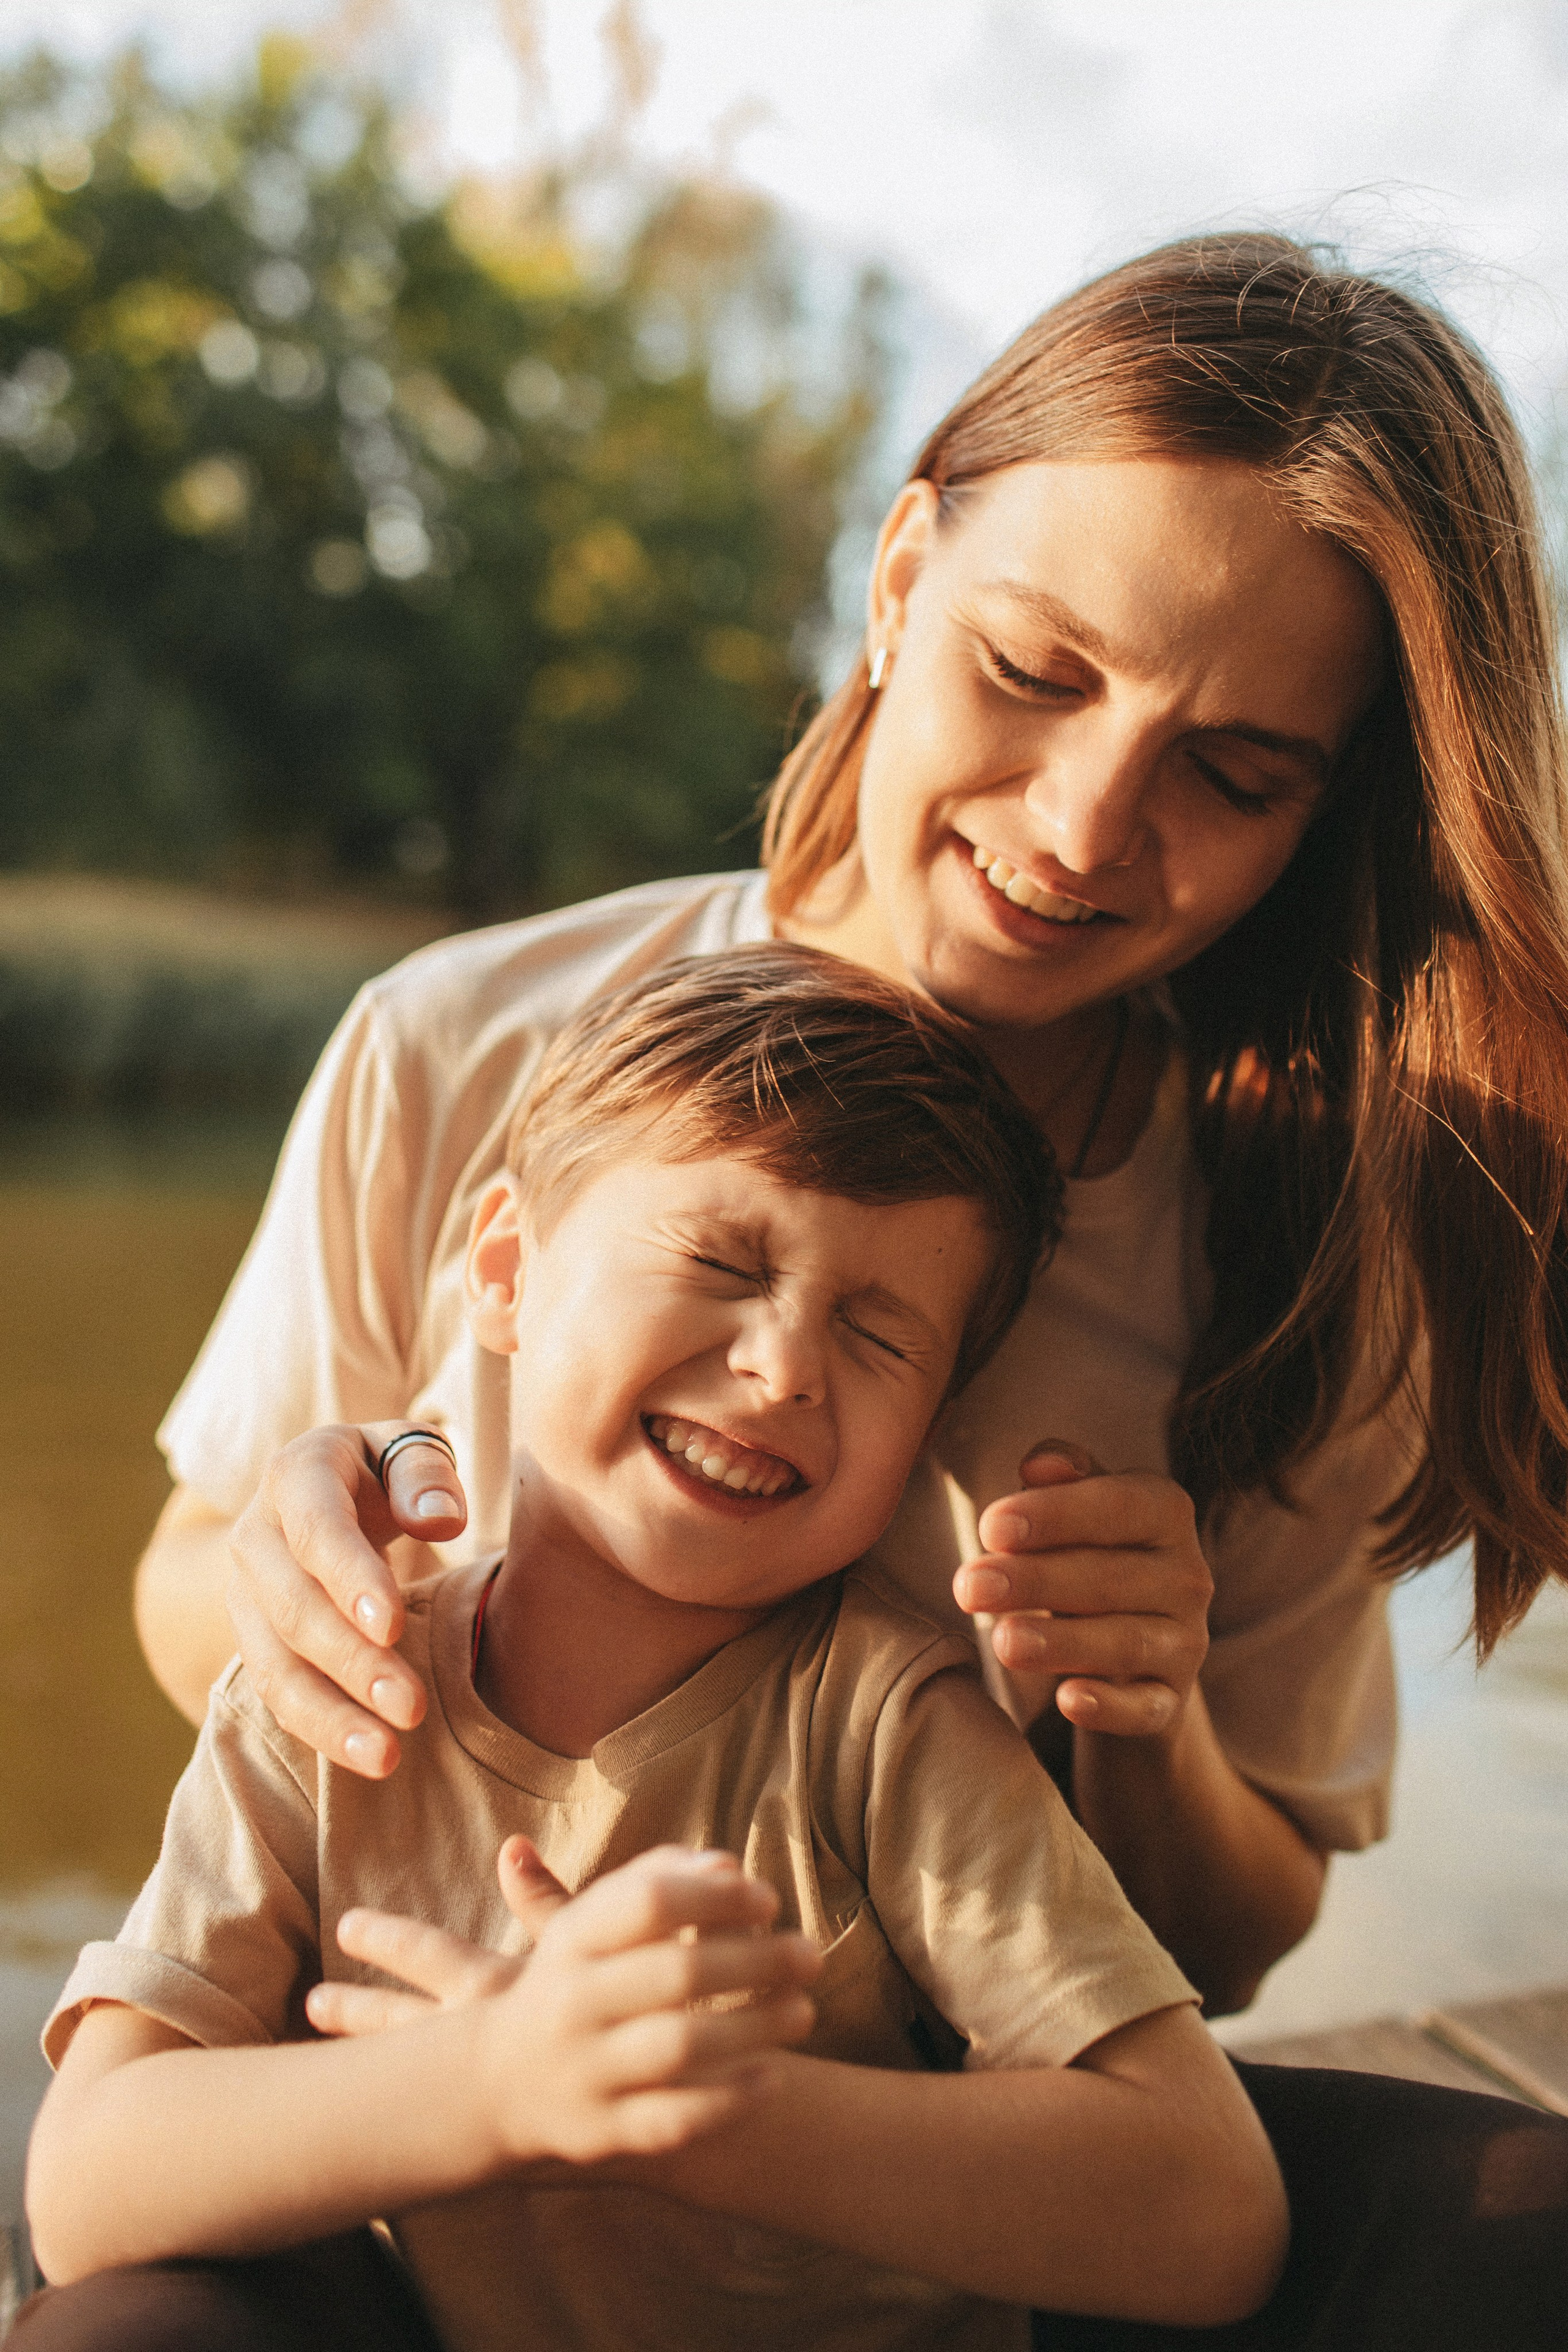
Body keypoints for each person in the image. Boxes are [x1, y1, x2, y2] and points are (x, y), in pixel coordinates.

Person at [126, 233, 1568, 2339]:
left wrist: (1141, 1724)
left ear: (1320, 816)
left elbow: (1238, 1955)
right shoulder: (456, 1045)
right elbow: (186, 1594)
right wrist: (291, 1571)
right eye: (1039, 671)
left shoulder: (1306, 1251)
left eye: (1235, 772)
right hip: (446, 2175)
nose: (1087, 826)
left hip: (975, 2194)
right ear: (899, 577)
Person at [22, 949, 1288, 2352]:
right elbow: (84, 2186)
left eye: (878, 1337)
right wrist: (494, 2083)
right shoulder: (328, 1685)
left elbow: (1207, 2210)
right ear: (505, 1272)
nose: (785, 1366)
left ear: (929, 1428)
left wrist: (693, 2114)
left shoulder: (882, 1717)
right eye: (720, 1264)